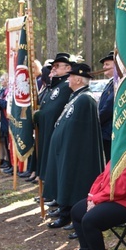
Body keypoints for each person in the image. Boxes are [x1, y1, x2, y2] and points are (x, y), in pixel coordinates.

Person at [42, 63, 104, 229]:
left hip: (76, 152)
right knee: (66, 181)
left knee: (76, 184)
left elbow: (81, 130)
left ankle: (74, 218)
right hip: (67, 150)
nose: (67, 79)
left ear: (77, 79)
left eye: (70, 76)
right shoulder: (76, 96)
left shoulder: (85, 99)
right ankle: (66, 214)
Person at [34, 53, 73, 206]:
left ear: (68, 68)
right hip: (47, 131)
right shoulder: (56, 85)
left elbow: (54, 110)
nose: (54, 69)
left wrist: (40, 115)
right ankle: (51, 194)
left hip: (54, 130)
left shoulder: (64, 86)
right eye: (53, 66)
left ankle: (56, 197)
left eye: (57, 66)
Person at [97, 51, 115, 162]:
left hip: (110, 131)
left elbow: (108, 108)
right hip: (105, 131)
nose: (104, 67)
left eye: (107, 64)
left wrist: (96, 121)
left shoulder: (118, 84)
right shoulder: (110, 83)